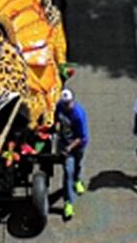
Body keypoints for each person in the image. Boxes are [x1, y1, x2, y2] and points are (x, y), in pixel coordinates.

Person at [55, 89, 89, 221]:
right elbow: (56, 116)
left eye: (68, 103)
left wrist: (69, 148)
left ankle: (78, 180)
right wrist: (57, 125)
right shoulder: (60, 106)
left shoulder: (78, 114)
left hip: (78, 145)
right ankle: (68, 203)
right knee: (68, 172)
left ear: (72, 101)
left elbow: (82, 137)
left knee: (78, 164)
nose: (66, 106)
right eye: (64, 103)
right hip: (65, 144)